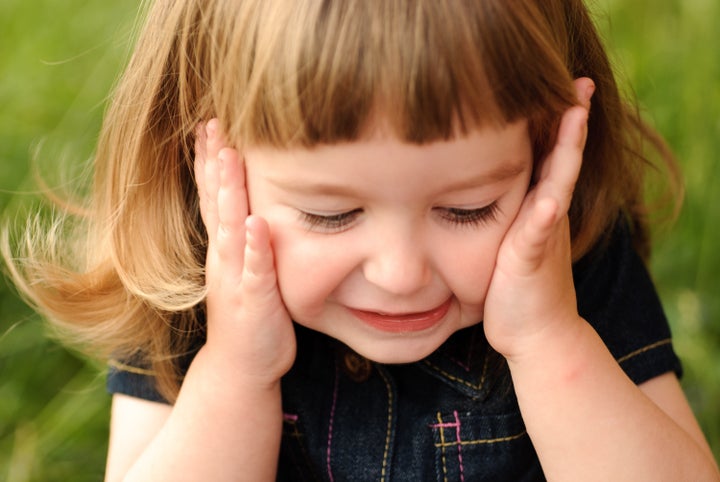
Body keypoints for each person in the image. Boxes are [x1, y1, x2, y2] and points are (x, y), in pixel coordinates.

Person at [3, 0, 718, 480]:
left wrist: (548, 339)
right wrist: (234, 372)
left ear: (549, 152)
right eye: (330, 215)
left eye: (468, 209)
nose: (401, 273)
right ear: (206, 167)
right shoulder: (193, 282)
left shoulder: (561, 257)